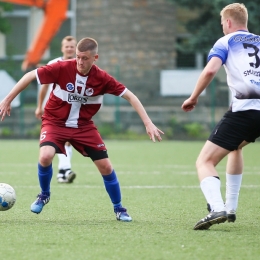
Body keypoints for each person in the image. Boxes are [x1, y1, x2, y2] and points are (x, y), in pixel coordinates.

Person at [0, 37, 164, 222]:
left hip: (83, 127)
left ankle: (119, 209)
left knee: (106, 166)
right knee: (45, 156)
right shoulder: (62, 67)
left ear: (95, 58)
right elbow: (30, 76)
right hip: (55, 122)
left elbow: (131, 97)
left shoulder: (102, 78)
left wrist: (148, 122)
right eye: (78, 57)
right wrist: (7, 99)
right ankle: (44, 195)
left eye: (85, 58)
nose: (79, 61)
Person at [181, 3, 260, 230]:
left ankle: (217, 208)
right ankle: (231, 208)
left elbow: (210, 70)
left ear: (227, 22)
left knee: (204, 161)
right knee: (236, 146)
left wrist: (193, 97)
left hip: (245, 109)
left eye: (222, 24)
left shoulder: (226, 41)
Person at [35, 36, 77, 184]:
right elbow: (44, 86)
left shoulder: (81, 64)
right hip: (54, 109)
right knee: (62, 139)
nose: (70, 49)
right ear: (62, 48)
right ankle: (65, 170)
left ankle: (62, 173)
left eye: (72, 46)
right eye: (67, 46)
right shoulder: (54, 64)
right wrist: (40, 106)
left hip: (73, 109)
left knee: (68, 140)